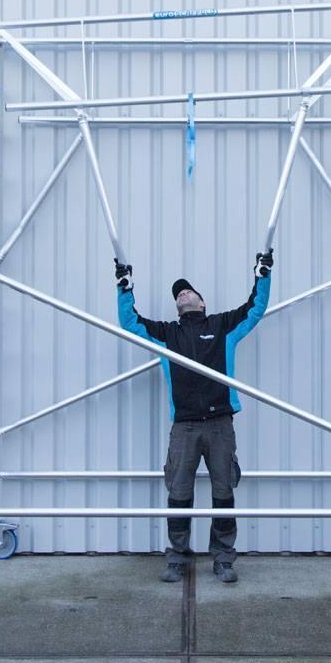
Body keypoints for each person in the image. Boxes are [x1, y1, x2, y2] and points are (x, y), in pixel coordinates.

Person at [115, 250, 273, 584]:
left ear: (202, 303)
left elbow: (255, 308)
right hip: (184, 427)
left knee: (223, 492)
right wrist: (124, 287)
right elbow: (130, 323)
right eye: (178, 294)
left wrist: (262, 274)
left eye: (188, 291)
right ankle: (177, 558)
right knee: (179, 493)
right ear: (178, 308)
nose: (182, 294)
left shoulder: (222, 326)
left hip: (220, 425)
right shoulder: (167, 335)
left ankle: (223, 559)